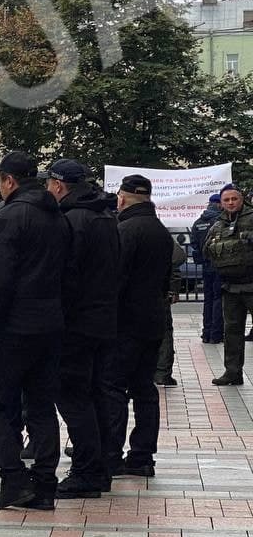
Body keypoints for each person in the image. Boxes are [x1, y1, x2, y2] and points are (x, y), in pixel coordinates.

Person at [0, 152, 70, 511]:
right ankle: (44, 484)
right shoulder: (56, 216)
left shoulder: (11, 215)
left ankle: (13, 478)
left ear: (10, 181)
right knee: (42, 406)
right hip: (49, 324)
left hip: (13, 326)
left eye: (0, 181)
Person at [44, 160, 119, 499]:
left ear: (59, 186)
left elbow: (67, 275)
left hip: (77, 323)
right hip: (103, 320)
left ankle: (86, 471)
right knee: (97, 395)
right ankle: (101, 467)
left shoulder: (72, 219)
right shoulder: (104, 215)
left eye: (49, 184)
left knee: (73, 397)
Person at [97, 175, 176, 478]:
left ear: (123, 198)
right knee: (144, 389)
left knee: (113, 387)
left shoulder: (126, 229)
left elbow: (116, 279)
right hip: (153, 321)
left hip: (125, 322)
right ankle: (143, 456)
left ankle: (112, 454)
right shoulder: (158, 229)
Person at [204, 184, 253, 387]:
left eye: (234, 199)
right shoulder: (218, 224)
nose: (231, 203)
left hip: (251, 284)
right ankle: (232, 372)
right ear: (221, 203)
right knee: (232, 332)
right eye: (227, 200)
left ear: (242, 199)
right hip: (230, 286)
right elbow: (206, 249)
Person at [153, 239, 187, 387]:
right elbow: (179, 256)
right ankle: (162, 374)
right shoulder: (157, 230)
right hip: (158, 292)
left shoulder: (122, 229)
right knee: (164, 332)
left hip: (131, 295)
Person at [193, 193, 225, 345]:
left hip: (206, 266)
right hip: (219, 265)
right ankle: (216, 334)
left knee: (208, 299)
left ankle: (206, 333)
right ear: (218, 204)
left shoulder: (198, 222)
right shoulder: (219, 221)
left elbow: (194, 244)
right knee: (219, 299)